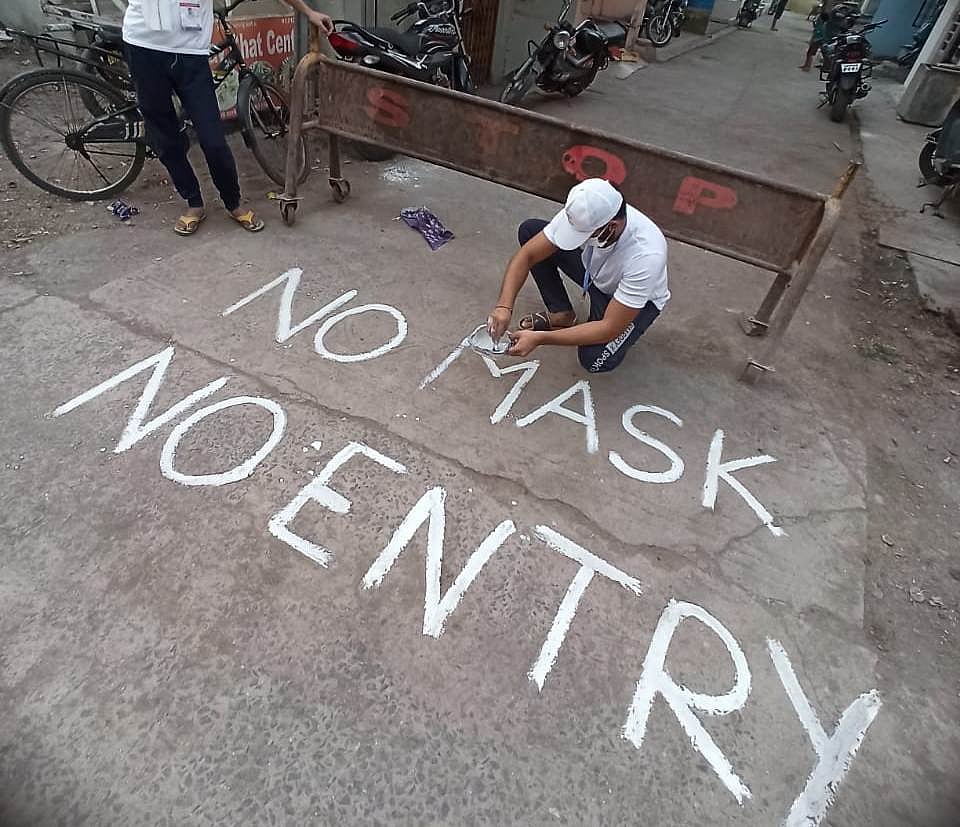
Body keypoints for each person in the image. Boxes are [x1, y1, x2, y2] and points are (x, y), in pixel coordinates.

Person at [121, 0, 334, 235]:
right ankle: (193, 201)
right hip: (142, 47)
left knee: (213, 140)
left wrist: (308, 12)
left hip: (191, 54)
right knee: (165, 136)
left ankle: (233, 202)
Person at [487, 178, 670, 373]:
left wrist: (540, 338)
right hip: (595, 273)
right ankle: (562, 314)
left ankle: (622, 328)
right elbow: (528, 255)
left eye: (585, 235)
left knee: (594, 359)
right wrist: (503, 306)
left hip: (634, 303)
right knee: (530, 231)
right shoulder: (587, 208)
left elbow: (609, 327)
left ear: (612, 226)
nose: (579, 239)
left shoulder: (647, 256)